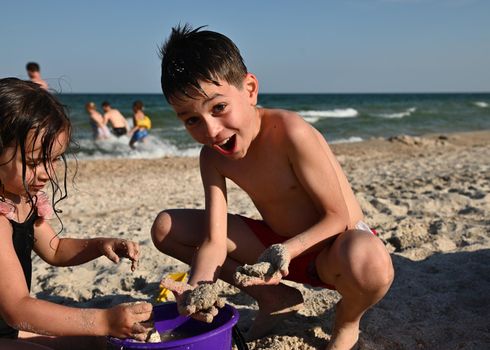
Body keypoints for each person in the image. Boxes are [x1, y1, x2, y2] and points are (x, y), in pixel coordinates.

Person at [151, 25, 394, 350]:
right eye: (191, 120)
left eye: (218, 107)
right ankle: (275, 297)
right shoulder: (212, 157)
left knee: (371, 262)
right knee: (167, 228)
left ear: (250, 89)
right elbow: (214, 241)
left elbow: (339, 217)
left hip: (333, 250)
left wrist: (285, 252)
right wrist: (198, 286)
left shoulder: (291, 132)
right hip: (272, 247)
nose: (210, 129)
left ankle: (348, 321)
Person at [0, 78, 153, 350]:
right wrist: (104, 319)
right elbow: (18, 309)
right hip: (12, 322)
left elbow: (56, 250)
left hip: (7, 331)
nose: (47, 173)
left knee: (96, 344)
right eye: (34, 162)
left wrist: (100, 245)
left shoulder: (23, 199)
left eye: (55, 158)